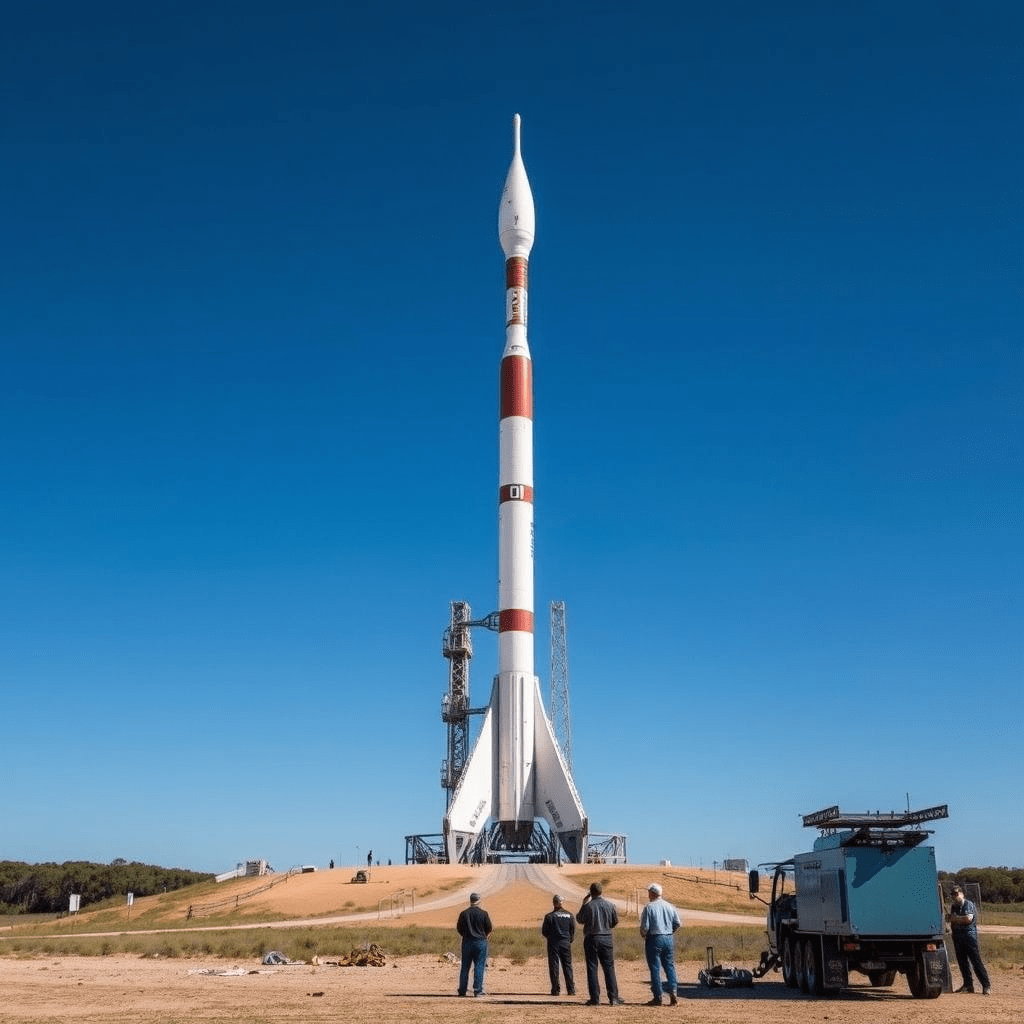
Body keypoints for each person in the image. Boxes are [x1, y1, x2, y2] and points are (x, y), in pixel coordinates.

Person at [576, 881, 623, 1005]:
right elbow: (615, 921)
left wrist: (583, 903)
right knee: (609, 968)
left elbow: (580, 919)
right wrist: (606, 927)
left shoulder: (588, 906)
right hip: (606, 938)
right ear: (601, 892)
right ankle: (613, 998)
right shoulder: (610, 905)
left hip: (591, 938)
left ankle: (595, 999)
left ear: (590, 893)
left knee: (592, 968)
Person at [640, 883, 680, 1005]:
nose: (648, 894)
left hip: (654, 938)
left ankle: (658, 997)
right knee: (669, 966)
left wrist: (643, 934)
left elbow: (645, 927)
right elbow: (677, 923)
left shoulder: (649, 907)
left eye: (649, 892)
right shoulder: (670, 906)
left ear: (653, 894)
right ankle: (673, 991)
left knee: (655, 968)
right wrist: (669, 931)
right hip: (668, 937)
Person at [948, 884, 991, 995]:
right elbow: (951, 919)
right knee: (962, 963)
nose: (954, 896)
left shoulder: (968, 904)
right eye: (953, 894)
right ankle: (968, 985)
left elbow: (968, 919)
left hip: (969, 937)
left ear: (962, 893)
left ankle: (986, 986)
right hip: (957, 937)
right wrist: (957, 919)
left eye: (956, 893)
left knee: (976, 962)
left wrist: (956, 918)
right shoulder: (954, 906)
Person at [456, 892, 493, 997]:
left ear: (470, 901)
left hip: (467, 942)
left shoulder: (464, 914)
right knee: (479, 966)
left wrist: (466, 935)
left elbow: (459, 928)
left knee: (465, 967)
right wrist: (483, 936)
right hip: (480, 942)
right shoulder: (483, 914)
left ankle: (462, 990)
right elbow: (489, 928)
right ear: (479, 901)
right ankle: (478, 990)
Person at [541, 894, 576, 996]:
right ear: (562, 903)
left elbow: (544, 931)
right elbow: (572, 930)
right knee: (567, 966)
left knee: (554, 966)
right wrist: (569, 940)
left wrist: (551, 938)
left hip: (553, 943)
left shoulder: (549, 916)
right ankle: (571, 990)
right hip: (566, 943)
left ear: (553, 903)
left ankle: (555, 990)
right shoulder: (570, 915)